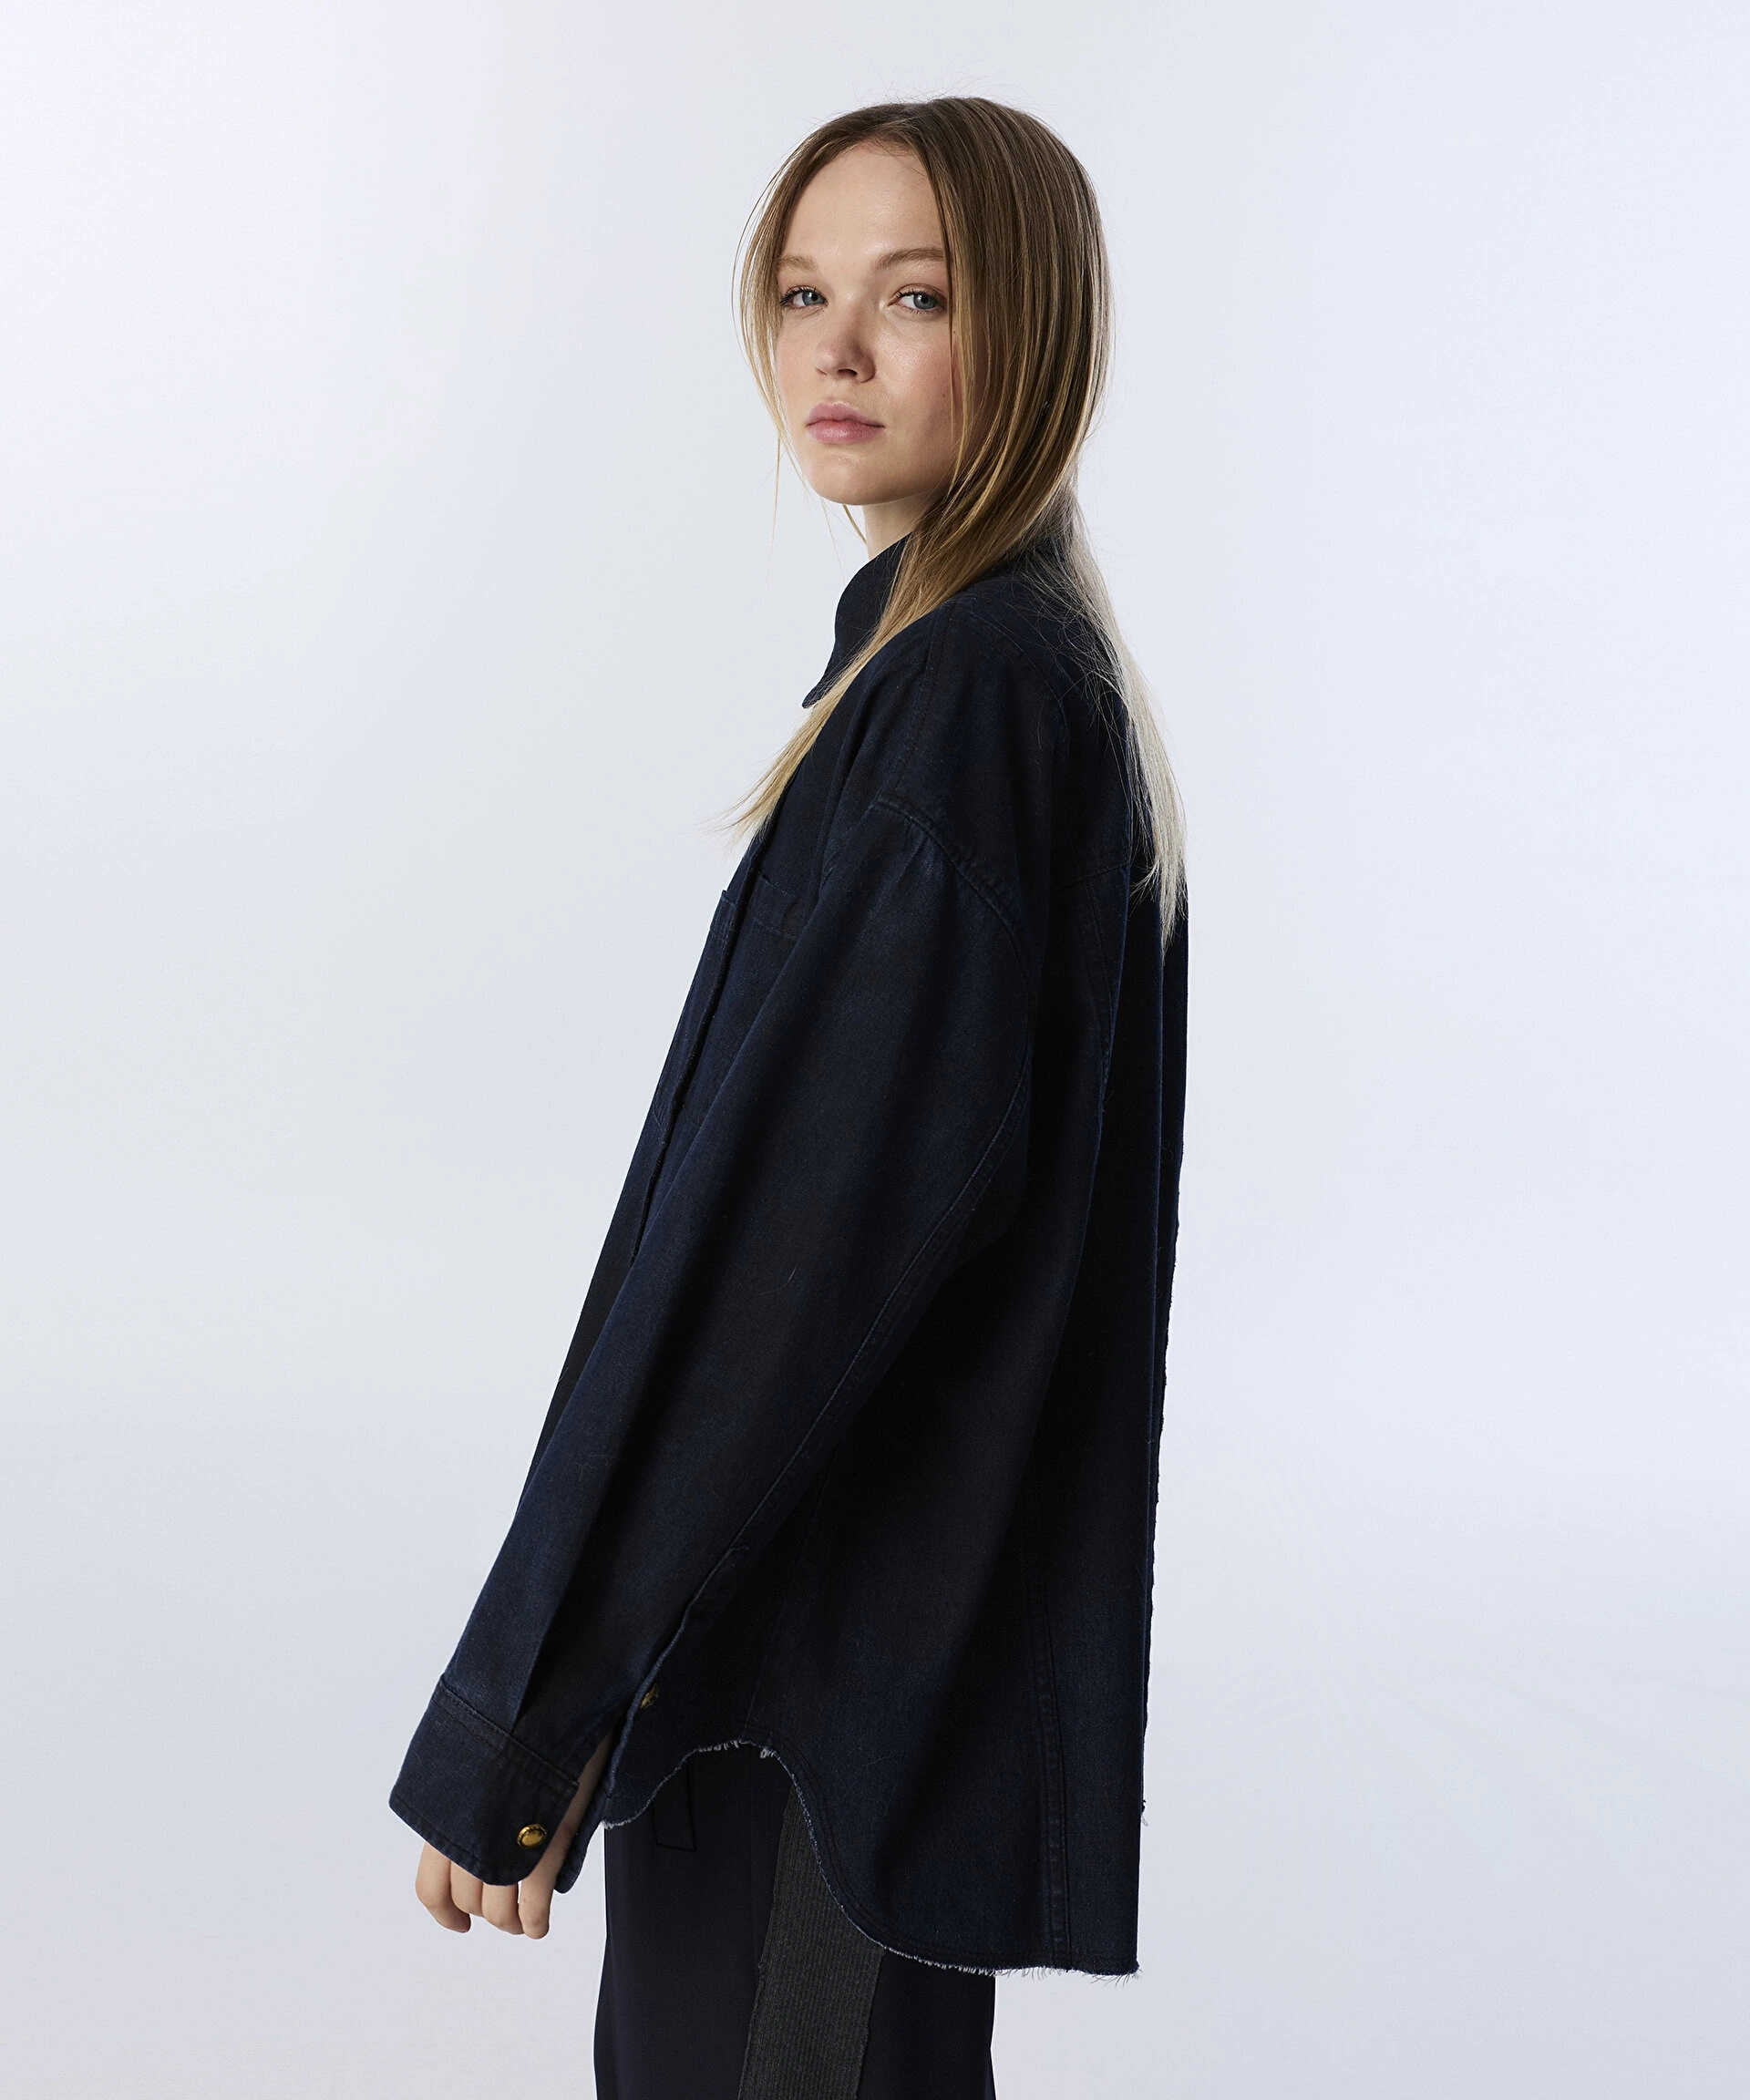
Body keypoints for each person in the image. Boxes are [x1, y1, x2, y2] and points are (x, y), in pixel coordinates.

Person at [392, 96, 1189, 2100]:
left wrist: (531, 1705)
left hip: (814, 1719)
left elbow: (783, 1263)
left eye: (913, 297)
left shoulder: (971, 703)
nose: (835, 350)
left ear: (1033, 332)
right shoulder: (972, 680)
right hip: (821, 1703)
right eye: (801, 294)